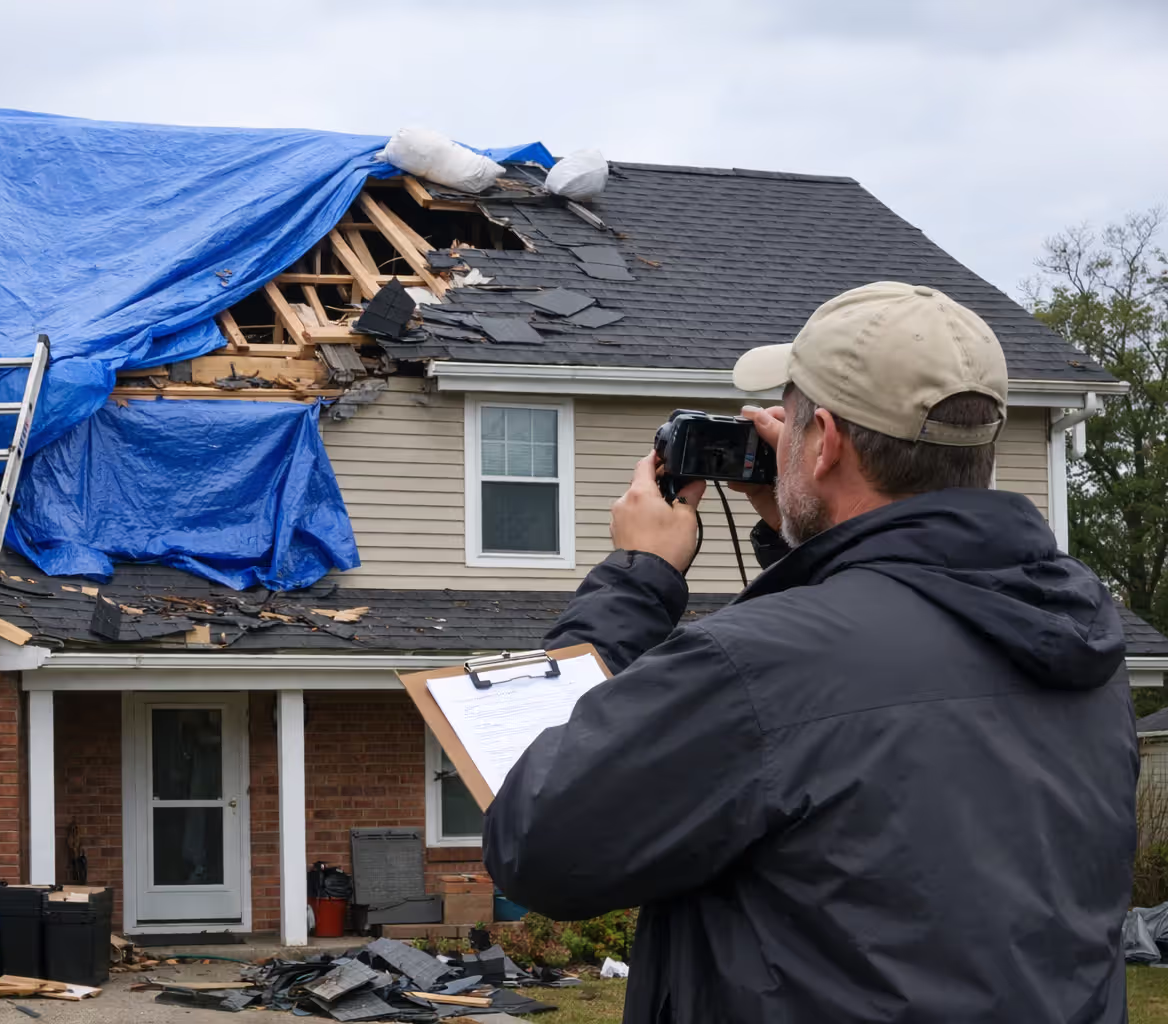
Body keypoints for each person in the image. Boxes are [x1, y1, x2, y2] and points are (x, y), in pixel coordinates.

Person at [482, 282, 1138, 1023]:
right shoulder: (1082, 639)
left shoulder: (755, 668)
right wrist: (807, 537)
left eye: (789, 419)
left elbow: (537, 843)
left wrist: (637, 581)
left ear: (823, 441)